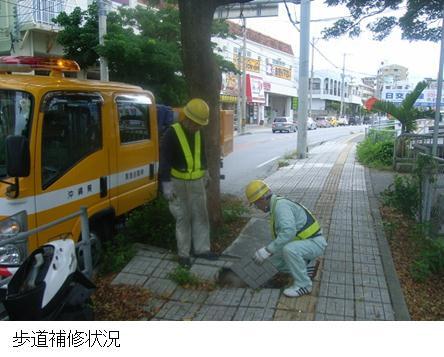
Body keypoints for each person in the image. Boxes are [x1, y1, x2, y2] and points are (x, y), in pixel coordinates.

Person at [159, 98, 216, 268]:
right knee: (183, 218)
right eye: (195, 123)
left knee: (201, 216)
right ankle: (184, 254)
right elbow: (164, 160)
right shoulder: (172, 132)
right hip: (178, 183)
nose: (197, 127)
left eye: (200, 124)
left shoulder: (199, 133)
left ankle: (202, 249)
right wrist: (166, 184)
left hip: (197, 183)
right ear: (187, 118)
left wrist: (206, 172)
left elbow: (202, 155)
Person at [245, 180, 327, 297]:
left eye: (255, 204)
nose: (256, 207)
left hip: (315, 243)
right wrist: (271, 252)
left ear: (261, 199)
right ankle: (306, 267)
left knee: (289, 250)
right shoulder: (276, 205)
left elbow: (288, 232)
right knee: (275, 261)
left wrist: (267, 250)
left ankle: (304, 285)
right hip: (305, 242)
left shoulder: (280, 207)